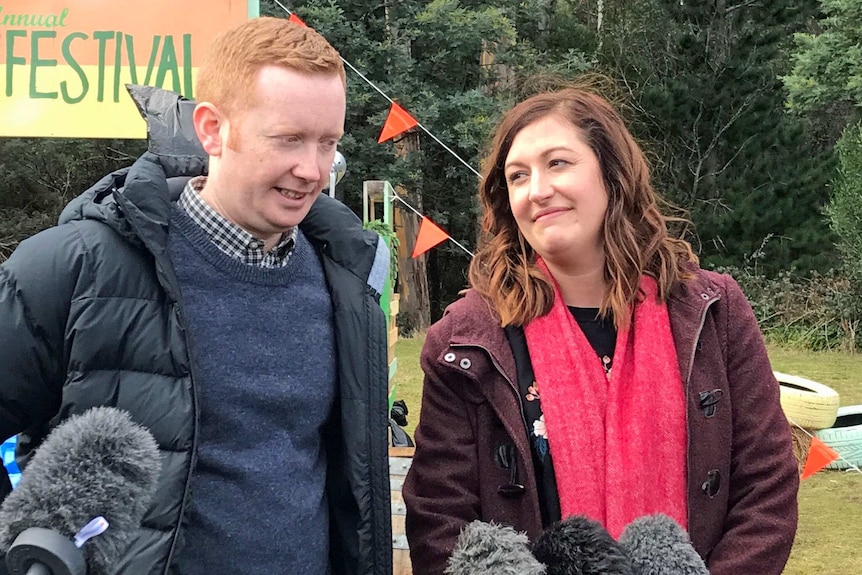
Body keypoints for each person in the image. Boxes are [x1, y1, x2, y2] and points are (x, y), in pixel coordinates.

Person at [0, 17, 392, 575]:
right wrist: (22, 551)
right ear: (212, 129)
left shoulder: (346, 281)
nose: (312, 169)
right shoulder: (74, 267)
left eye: (328, 143)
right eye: (288, 139)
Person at [402, 86, 798, 575]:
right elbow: (440, 518)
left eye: (558, 163)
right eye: (517, 176)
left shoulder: (712, 312)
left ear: (612, 172)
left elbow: (767, 485)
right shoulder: (466, 341)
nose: (538, 189)